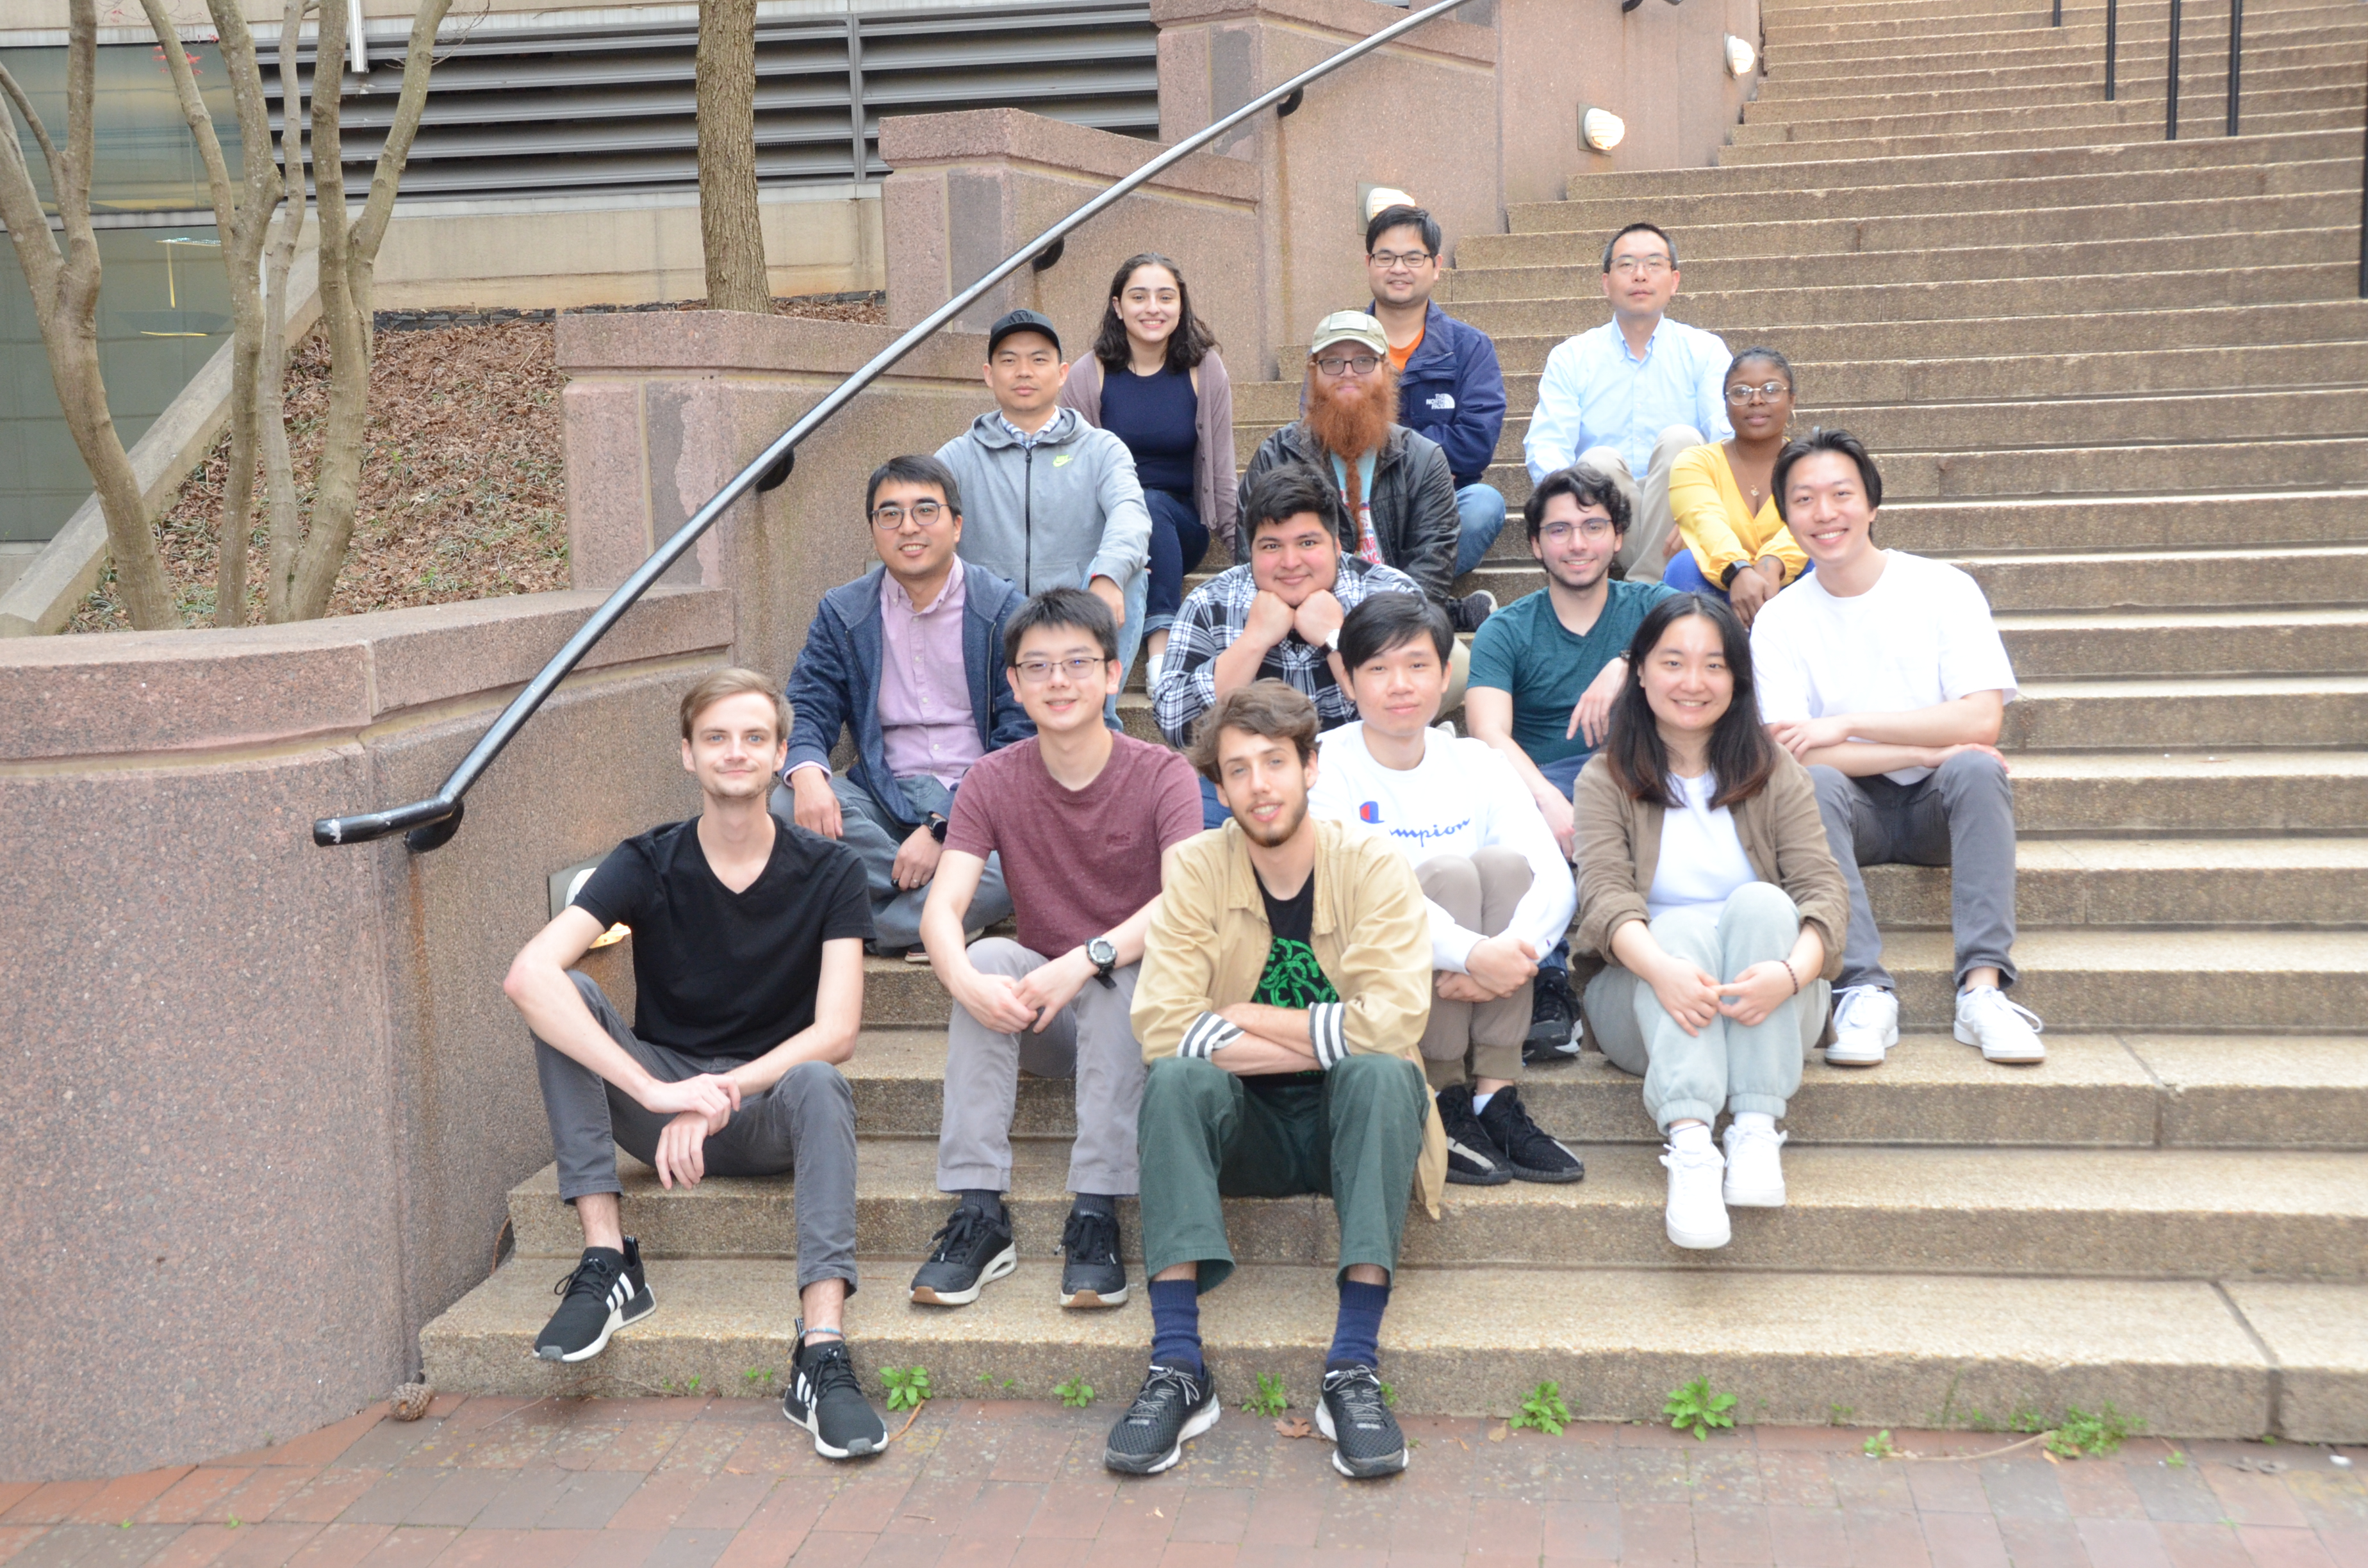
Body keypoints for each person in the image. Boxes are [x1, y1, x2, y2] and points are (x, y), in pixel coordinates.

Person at [501, 669, 888, 1458]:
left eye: (754, 737)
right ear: (687, 754)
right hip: (658, 1104)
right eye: (716, 737)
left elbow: (838, 1030)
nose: (735, 752)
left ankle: (821, 1349)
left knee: (822, 1079)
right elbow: (525, 975)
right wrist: (656, 1089)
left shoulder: (832, 872)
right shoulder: (647, 860)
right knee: (564, 991)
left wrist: (718, 1093)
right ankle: (608, 1259)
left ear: (783, 755)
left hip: (768, 1106)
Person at [1109, 681, 1443, 1482]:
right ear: (1219, 790)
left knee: (1383, 1075)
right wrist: (1325, 1039)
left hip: (1354, 1136)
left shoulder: (1372, 862)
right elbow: (1160, 1023)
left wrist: (1242, 1015)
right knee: (1176, 1082)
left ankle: (1352, 1368)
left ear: (1311, 767)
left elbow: (1395, 1022)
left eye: (1274, 763)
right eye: (1237, 771)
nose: (1259, 785)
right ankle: (1179, 1366)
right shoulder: (1195, 865)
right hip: (1242, 1136)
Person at [910, 588, 1205, 1311]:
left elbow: (1186, 902)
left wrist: (1088, 956)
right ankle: (980, 1211)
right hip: (1047, 1017)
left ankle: (1097, 1208)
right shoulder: (992, 779)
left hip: (1138, 1007)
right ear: (1013, 684)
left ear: (1112, 673)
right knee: (983, 960)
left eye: (1078, 663)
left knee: (1115, 971)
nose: (1058, 681)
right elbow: (941, 909)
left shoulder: (1164, 774)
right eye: (1037, 667)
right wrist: (963, 980)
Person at [1749, 429, 2044, 1068]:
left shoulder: (1943, 589)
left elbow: (1980, 718)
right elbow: (1793, 756)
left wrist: (1847, 724)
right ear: (1788, 516)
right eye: (1804, 499)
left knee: (1974, 767)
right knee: (1813, 785)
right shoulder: (1780, 620)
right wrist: (1926, 747)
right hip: (1850, 813)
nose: (1824, 513)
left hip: (1941, 811)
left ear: (1872, 506)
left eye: (1840, 494)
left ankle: (1983, 990)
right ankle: (1861, 989)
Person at [1572, 596, 1848, 1250]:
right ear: (1639, 671)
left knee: (1764, 905)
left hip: (1769, 1004)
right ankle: (1693, 1148)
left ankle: (1754, 1127)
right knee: (1681, 932)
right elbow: (1605, 900)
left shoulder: (1775, 771)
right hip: (1647, 999)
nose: (1693, 682)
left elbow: (1824, 893)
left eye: (1713, 665)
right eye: (1673, 662)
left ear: (1737, 679)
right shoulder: (1604, 778)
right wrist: (1663, 971)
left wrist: (1789, 974)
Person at [1308, 592, 1581, 1185]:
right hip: (1377, 970)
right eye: (1377, 669)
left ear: (1445, 675)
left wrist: (1508, 955)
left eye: (1417, 665)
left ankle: (1496, 1095)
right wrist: (1477, 955)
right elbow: (1370, 902)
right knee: (1450, 875)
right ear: (1350, 683)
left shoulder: (1477, 760)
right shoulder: (1326, 764)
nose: (1400, 684)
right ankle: (1440, 1094)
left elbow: (1551, 876)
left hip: (1480, 964)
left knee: (1507, 866)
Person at [776, 455, 1032, 958]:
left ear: (957, 526)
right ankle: (941, 913)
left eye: (925, 511)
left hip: (978, 796)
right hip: (883, 795)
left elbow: (1022, 736)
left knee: (1018, 865)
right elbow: (807, 704)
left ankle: (855, 927)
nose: (908, 527)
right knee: (785, 805)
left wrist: (944, 828)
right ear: (874, 530)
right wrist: (806, 773)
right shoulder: (845, 611)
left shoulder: (1003, 608)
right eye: (889, 514)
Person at [1465, 466, 1677, 1058]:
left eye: (1592, 527)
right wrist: (1546, 799)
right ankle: (1551, 982)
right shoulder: (1507, 629)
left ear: (1618, 537)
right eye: (1559, 530)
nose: (1578, 543)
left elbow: (1713, 643)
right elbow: (1487, 733)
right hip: (1543, 785)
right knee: (1518, 821)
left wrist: (1627, 661)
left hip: (1641, 770)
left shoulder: (1653, 607)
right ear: (1535, 544)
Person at [1155, 462, 1430, 828]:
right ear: (1250, 550)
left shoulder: (1388, 593)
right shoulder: (1210, 602)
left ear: (1336, 544)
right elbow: (1173, 723)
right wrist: (1252, 642)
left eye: (1307, 543)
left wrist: (1337, 639)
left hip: (1366, 776)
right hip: (1248, 784)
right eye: (1271, 546)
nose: (1290, 563)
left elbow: (1410, 705)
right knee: (1185, 802)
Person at [937, 308, 1153, 714]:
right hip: (992, 621)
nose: (1024, 372)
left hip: (1078, 616)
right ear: (988, 374)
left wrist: (1108, 574)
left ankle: (1095, 719)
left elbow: (1131, 513)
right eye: (1009, 360)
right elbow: (923, 521)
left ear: (1063, 372)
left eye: (1039, 359)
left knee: (1132, 572)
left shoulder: (1101, 449)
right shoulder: (958, 456)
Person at [1237, 311, 1492, 631]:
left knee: (1460, 672)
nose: (1348, 373)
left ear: (1387, 370)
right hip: (1301, 627)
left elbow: (1431, 570)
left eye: (1363, 361)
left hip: (1396, 628)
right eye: (1332, 362)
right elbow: (1253, 561)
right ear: (1313, 374)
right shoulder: (1276, 455)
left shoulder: (1423, 459)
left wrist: (1377, 634)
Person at [1058, 252, 1238, 688]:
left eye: (1165, 297)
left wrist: (1245, 552)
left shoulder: (1204, 370)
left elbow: (1221, 472)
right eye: (1138, 297)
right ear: (1118, 307)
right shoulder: (1089, 375)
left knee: (1151, 503)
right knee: (1137, 507)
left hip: (1181, 526)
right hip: (1110, 531)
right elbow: (1070, 469)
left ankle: (1160, 648)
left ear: (1181, 306)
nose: (1152, 308)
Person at [1522, 222, 1732, 582]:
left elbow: (1727, 437)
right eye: (1626, 265)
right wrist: (1562, 506)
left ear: (1675, 280)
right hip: (1602, 512)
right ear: (1606, 282)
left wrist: (1708, 513)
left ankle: (1640, 583)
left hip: (1680, 508)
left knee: (1683, 441)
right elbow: (1547, 443)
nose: (1640, 275)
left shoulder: (1705, 351)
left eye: (1654, 264)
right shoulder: (1572, 356)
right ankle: (1654, 580)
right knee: (1595, 460)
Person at [1360, 204, 1509, 581]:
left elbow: (1474, 444)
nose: (1399, 268)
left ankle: (1384, 590)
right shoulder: (1341, 345)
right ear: (1369, 263)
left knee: (1484, 505)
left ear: (1437, 265)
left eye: (1413, 257)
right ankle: (1415, 597)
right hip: (1358, 504)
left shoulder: (1470, 348)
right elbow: (1318, 434)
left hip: (1440, 503)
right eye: (1386, 257)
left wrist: (1385, 446)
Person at [1663, 348, 1811, 626]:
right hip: (1720, 584)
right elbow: (1705, 522)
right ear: (1726, 403)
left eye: (1771, 389)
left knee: (1819, 564)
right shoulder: (1695, 462)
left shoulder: (1810, 463)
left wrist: (1772, 563)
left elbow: (1810, 523)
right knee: (1684, 566)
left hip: (1788, 581)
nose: (1756, 400)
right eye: (1741, 392)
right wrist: (1738, 570)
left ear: (1792, 400)